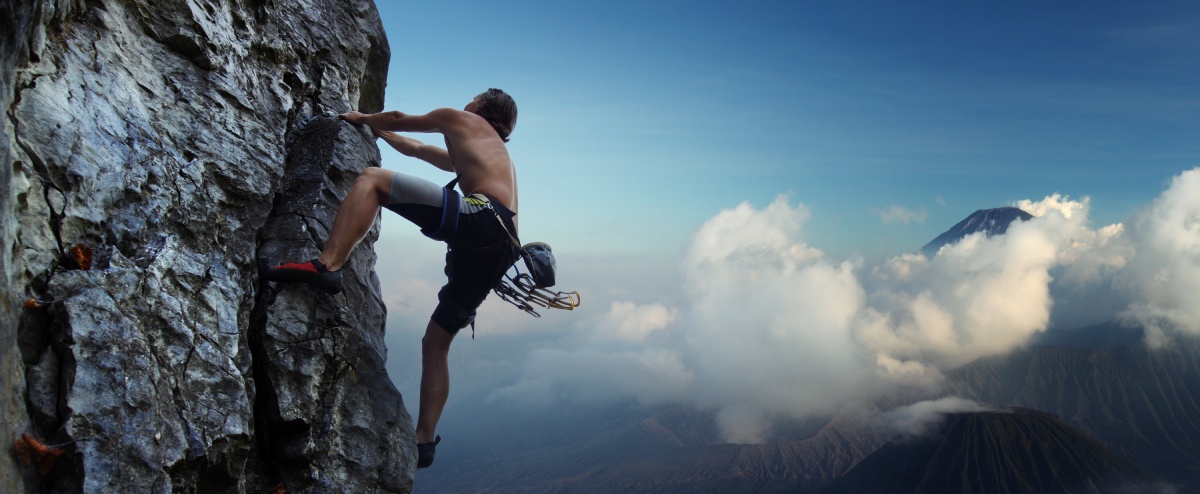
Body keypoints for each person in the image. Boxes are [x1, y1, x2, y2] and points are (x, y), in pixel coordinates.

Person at [263, 89, 520, 469]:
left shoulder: (464, 120)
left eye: (476, 97)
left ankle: (328, 265)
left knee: (372, 180)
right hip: (502, 248)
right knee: (436, 341)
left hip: (482, 219)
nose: (469, 101)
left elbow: (400, 118)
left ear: (483, 106)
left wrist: (365, 118)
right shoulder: (484, 151)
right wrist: (378, 133)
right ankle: (424, 440)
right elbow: (414, 147)